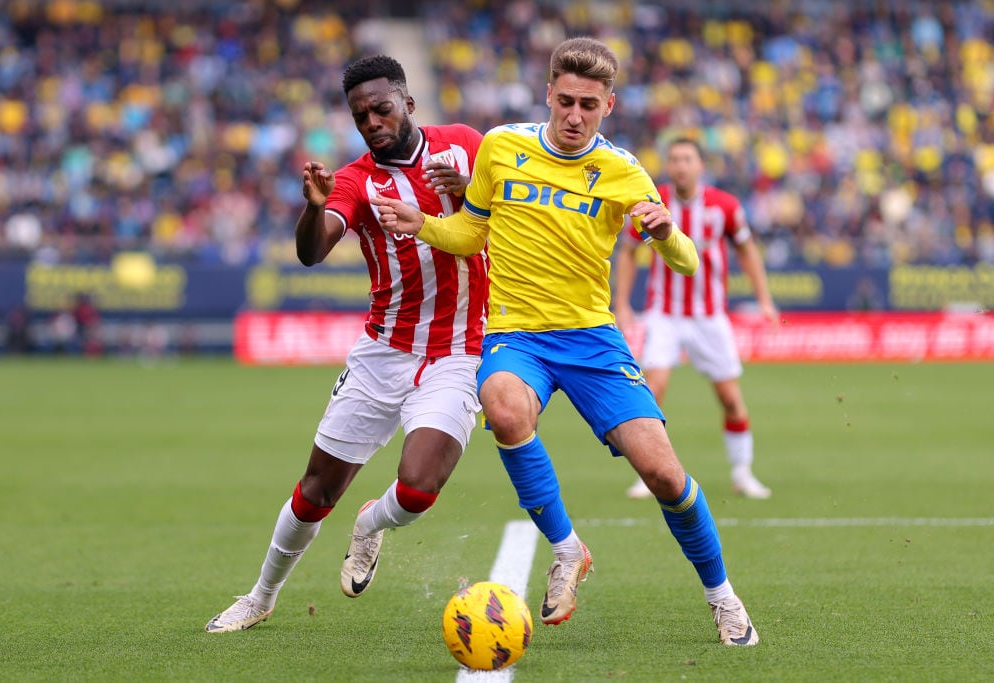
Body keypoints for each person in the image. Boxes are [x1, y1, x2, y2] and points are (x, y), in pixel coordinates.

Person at [372, 37, 759, 646]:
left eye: (589, 105)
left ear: (609, 104)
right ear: (548, 93)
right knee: (502, 406)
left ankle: (723, 595)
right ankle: (566, 547)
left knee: (663, 474)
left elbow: (685, 261)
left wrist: (667, 233)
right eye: (566, 101)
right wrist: (425, 224)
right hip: (516, 335)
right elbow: (472, 233)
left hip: (592, 340)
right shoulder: (503, 147)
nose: (575, 116)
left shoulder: (623, 170)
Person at [205, 55, 488, 633]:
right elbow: (313, 251)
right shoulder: (356, 181)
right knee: (315, 491)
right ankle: (261, 596)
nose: (372, 121)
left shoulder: (465, 145)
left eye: (381, 108)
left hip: (460, 353)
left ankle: (372, 523)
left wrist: (476, 191)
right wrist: (313, 209)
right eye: (360, 115)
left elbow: (511, 204)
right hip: (382, 354)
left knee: (416, 487)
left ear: (408, 104)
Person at [614, 138, 778, 501]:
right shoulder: (653, 205)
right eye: (674, 159)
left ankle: (742, 472)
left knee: (731, 399)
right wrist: (622, 303)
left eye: (687, 159)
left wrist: (765, 300)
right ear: (668, 166)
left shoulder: (725, 207)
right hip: (664, 315)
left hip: (709, 317)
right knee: (652, 391)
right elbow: (627, 251)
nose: (680, 165)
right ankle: (648, 473)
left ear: (700, 165)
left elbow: (748, 251)